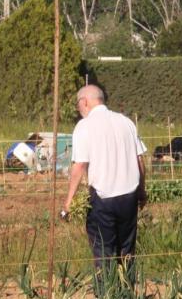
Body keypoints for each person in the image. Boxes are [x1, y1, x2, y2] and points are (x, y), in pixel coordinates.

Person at [62, 85, 147, 287]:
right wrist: (142, 191)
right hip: (129, 195)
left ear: (85, 102)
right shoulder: (125, 122)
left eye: (78, 105)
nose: (78, 109)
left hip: (103, 197)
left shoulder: (85, 126)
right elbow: (140, 160)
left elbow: (80, 165)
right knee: (126, 249)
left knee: (103, 249)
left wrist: (68, 203)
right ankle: (126, 296)